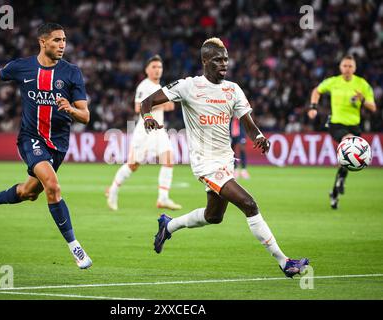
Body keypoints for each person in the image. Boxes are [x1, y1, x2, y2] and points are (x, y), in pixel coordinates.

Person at [140, 37, 309, 278]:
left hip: (225, 161)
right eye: (218, 60)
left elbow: (248, 124)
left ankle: (169, 225)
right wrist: (147, 116)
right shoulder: (188, 86)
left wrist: (259, 136)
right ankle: (285, 262)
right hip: (205, 164)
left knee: (214, 216)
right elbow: (147, 102)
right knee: (249, 204)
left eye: (226, 60)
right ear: (205, 61)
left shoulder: (233, 89)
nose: (224, 64)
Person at [0, 23, 92, 269]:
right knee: (53, 186)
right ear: (42, 42)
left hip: (58, 145)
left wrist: (70, 109)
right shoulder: (22, 67)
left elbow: (85, 116)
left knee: (29, 193)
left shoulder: (72, 73)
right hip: (30, 138)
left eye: (64, 40)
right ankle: (75, 248)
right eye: (56, 40)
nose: (62, 45)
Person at [106, 55, 182, 211]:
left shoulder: (159, 87)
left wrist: (157, 104)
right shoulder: (144, 86)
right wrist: (161, 105)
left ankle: (163, 198)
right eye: (154, 67)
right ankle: (113, 190)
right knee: (133, 165)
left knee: (169, 159)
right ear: (147, 70)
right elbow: (137, 107)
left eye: (159, 67)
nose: (157, 70)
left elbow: (172, 106)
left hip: (159, 130)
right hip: (145, 131)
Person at [308, 55, 377, 209]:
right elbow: (316, 91)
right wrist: (313, 107)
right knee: (348, 142)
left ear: (355, 68)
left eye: (350, 66)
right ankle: (340, 182)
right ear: (340, 67)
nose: (347, 69)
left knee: (345, 160)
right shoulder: (333, 81)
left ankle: (334, 193)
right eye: (345, 66)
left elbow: (373, 107)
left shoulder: (362, 84)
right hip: (336, 124)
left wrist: (363, 100)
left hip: (355, 126)